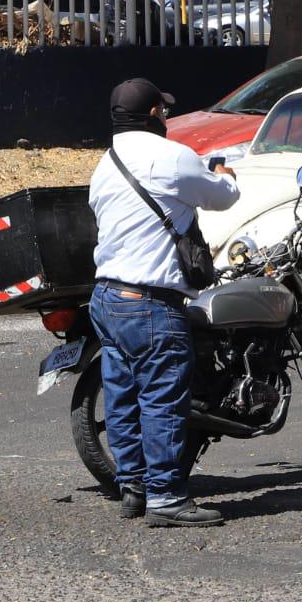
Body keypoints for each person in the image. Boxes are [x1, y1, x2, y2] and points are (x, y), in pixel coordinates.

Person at [88, 78, 240, 527]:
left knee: (122, 396)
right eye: (164, 111)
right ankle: (166, 498)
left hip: (107, 298)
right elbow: (222, 197)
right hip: (150, 304)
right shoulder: (172, 157)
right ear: (154, 114)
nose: (168, 117)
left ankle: (132, 488)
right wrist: (226, 175)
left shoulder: (106, 163)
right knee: (162, 400)